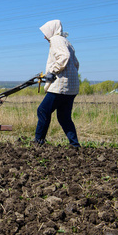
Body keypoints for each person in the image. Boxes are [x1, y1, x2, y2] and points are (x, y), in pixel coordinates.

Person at [35, 19, 80, 147]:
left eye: (45, 32)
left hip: (60, 86)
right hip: (71, 87)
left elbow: (64, 56)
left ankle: (38, 142)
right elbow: (76, 63)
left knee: (43, 110)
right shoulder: (67, 41)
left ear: (51, 30)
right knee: (64, 117)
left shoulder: (56, 40)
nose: (44, 36)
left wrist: (53, 72)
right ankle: (74, 144)